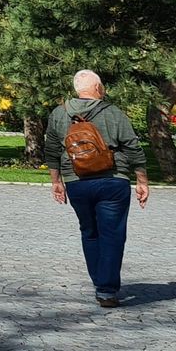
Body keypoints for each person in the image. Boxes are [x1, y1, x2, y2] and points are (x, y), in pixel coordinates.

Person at [43, 69, 151, 308]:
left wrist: (56, 181)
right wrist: (141, 180)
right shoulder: (113, 113)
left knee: (89, 231)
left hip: (76, 181)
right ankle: (106, 290)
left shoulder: (59, 114)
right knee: (112, 234)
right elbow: (133, 147)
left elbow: (51, 150)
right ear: (99, 88)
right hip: (113, 180)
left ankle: (99, 283)